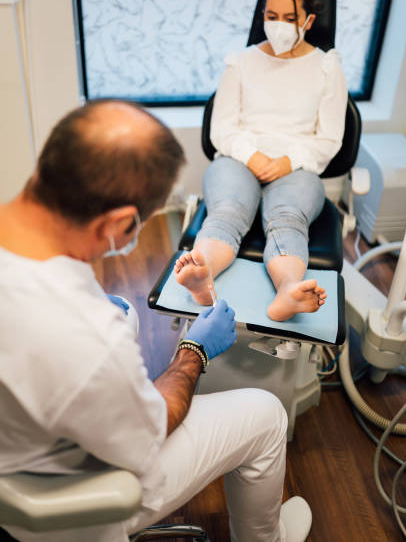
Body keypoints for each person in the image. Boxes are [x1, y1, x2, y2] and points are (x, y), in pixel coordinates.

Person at [0, 99, 312, 542]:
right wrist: (194, 351)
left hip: (14, 444)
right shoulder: (85, 333)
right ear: (121, 221)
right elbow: (153, 427)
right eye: (136, 229)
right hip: (81, 499)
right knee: (265, 415)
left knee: (123, 317)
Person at [175, 0, 348, 322]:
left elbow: (329, 139)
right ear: (262, 16)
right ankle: (202, 273)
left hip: (298, 168)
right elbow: (221, 128)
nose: (278, 25)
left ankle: (288, 290)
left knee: (288, 220)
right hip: (239, 159)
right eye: (271, 17)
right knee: (227, 211)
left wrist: (288, 161)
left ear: (309, 20)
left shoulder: (327, 67)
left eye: (289, 18)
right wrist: (252, 156)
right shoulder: (241, 62)